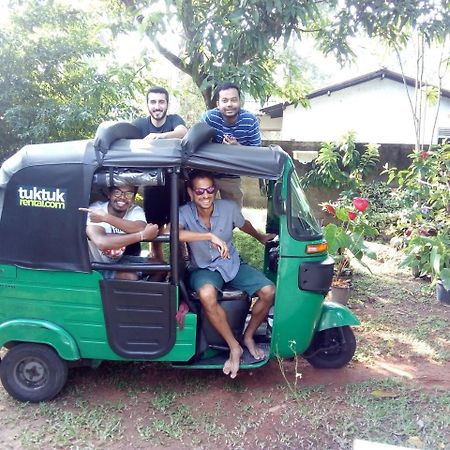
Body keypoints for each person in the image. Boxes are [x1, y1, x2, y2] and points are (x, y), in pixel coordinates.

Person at [179, 170, 275, 379]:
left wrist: (259, 237)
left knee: (269, 291)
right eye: (200, 191)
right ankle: (234, 346)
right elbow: (173, 233)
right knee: (206, 295)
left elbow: (244, 224)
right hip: (203, 268)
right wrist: (208, 236)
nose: (206, 195)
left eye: (210, 189)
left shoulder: (228, 208)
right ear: (191, 192)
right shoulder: (184, 212)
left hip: (230, 263)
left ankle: (248, 336)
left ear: (216, 190)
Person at [133, 86, 188, 260]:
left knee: (177, 229)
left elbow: (183, 132)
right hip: (152, 185)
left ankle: (180, 268)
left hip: (176, 183)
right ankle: (158, 266)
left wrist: (161, 137)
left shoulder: (173, 120)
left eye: (161, 102)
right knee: (154, 230)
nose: (157, 106)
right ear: (148, 104)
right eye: (153, 102)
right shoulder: (140, 124)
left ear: (167, 104)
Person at [200, 82, 261, 207]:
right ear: (218, 104)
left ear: (240, 102)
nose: (229, 104)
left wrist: (237, 148)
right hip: (208, 172)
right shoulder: (209, 118)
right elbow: (196, 144)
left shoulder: (250, 121)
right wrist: (219, 148)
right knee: (202, 211)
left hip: (232, 174)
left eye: (234, 100)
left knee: (234, 214)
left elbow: (257, 152)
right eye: (225, 100)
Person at [80, 185, 159, 280]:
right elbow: (102, 242)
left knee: (160, 267)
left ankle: (144, 293)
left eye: (129, 194)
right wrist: (141, 236)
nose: (122, 197)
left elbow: (141, 227)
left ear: (133, 197)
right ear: (109, 194)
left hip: (119, 260)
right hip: (96, 266)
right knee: (129, 277)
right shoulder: (96, 210)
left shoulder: (134, 210)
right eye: (117, 192)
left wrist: (106, 218)